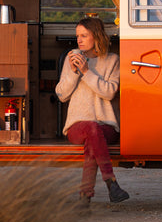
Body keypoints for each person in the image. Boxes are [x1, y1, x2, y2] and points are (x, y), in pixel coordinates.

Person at [55, 16, 129, 206]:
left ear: (96, 36)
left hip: (106, 125)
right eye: (77, 36)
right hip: (77, 125)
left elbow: (109, 92)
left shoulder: (113, 60)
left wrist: (87, 72)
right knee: (90, 130)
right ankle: (111, 182)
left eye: (83, 35)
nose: (78, 40)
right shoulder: (72, 58)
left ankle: (84, 197)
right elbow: (62, 95)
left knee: (93, 140)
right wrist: (73, 72)